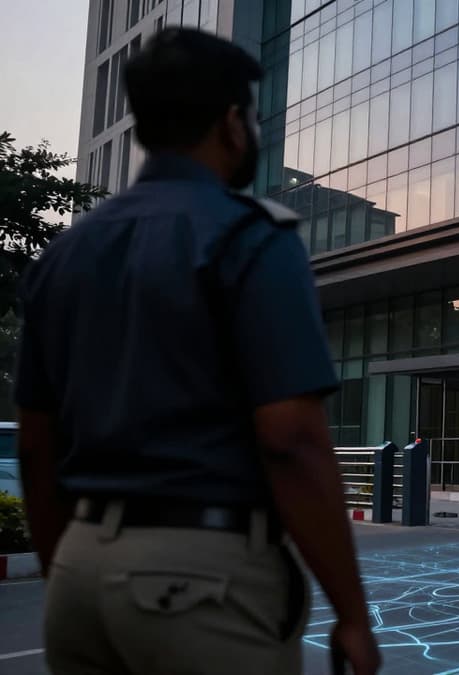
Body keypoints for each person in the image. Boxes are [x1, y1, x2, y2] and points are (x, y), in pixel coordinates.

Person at [14, 28, 380, 675]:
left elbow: (37, 446)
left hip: (77, 576)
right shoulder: (249, 239)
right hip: (201, 584)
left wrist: (70, 573)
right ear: (232, 124)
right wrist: (350, 611)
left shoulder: (62, 256)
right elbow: (290, 438)